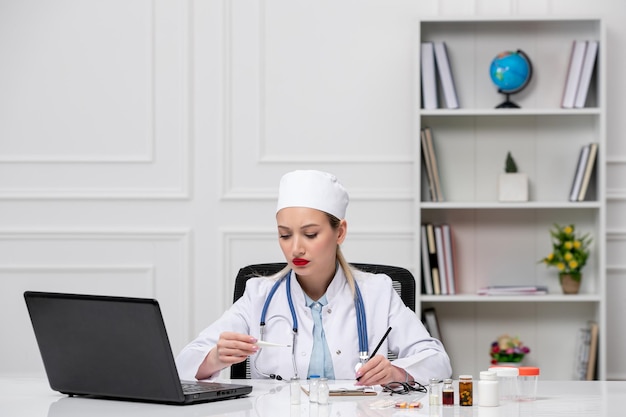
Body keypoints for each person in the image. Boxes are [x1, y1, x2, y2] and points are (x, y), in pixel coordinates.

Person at [176, 170, 451, 386]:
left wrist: (397, 371)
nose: (295, 248)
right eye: (285, 235)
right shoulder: (258, 295)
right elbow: (182, 363)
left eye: (310, 234)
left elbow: (438, 361)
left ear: (340, 232)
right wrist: (213, 358)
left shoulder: (377, 292)